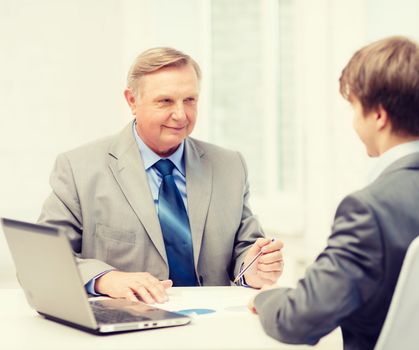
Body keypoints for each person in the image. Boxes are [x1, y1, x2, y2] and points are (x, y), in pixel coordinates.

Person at [249, 36, 419, 350]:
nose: (353, 123)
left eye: (354, 108)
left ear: (378, 115)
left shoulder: (369, 210)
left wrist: (266, 297)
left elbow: (298, 320)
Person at [38, 47, 284, 304]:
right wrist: (105, 279)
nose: (180, 115)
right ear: (132, 101)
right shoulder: (79, 168)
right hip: (129, 328)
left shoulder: (230, 166)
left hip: (212, 325)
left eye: (189, 100)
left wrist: (254, 268)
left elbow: (246, 248)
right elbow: (43, 259)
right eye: (165, 101)